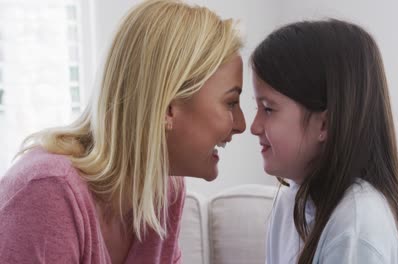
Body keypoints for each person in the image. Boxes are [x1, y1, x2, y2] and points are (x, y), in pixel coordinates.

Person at [0, 0, 245, 263]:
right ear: (167, 108)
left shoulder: (165, 189)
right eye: (230, 102)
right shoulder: (48, 192)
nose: (242, 124)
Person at [250, 19, 398, 264]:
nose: (254, 126)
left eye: (268, 109)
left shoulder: (356, 225)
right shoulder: (289, 204)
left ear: (324, 124)